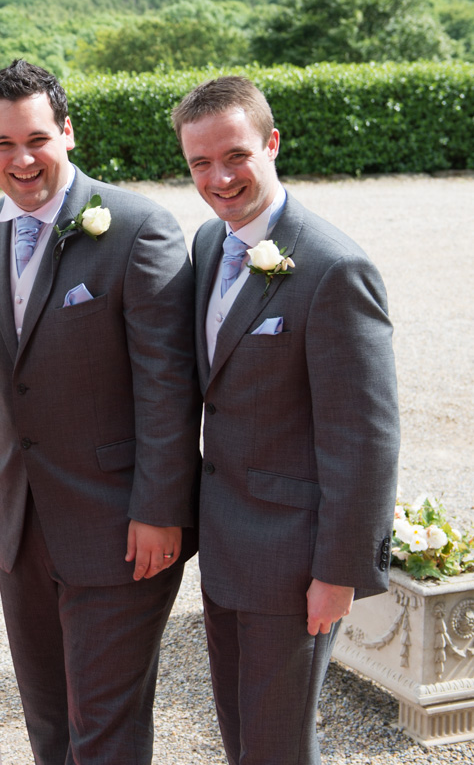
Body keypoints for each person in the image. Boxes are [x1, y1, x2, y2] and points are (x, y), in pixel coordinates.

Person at [0, 59, 202, 765]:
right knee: (48, 725)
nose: (22, 159)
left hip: (120, 526)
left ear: (67, 132)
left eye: (37, 138)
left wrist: (160, 509)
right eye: (4, 143)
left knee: (104, 732)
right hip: (19, 522)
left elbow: (168, 385)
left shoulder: (138, 228)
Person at [172, 75, 399, 765]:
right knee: (241, 739)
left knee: (278, 747)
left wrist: (338, 572)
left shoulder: (335, 267)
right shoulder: (209, 244)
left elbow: (365, 438)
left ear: (272, 143)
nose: (219, 178)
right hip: (225, 546)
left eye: (235, 155)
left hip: (295, 562)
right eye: (201, 163)